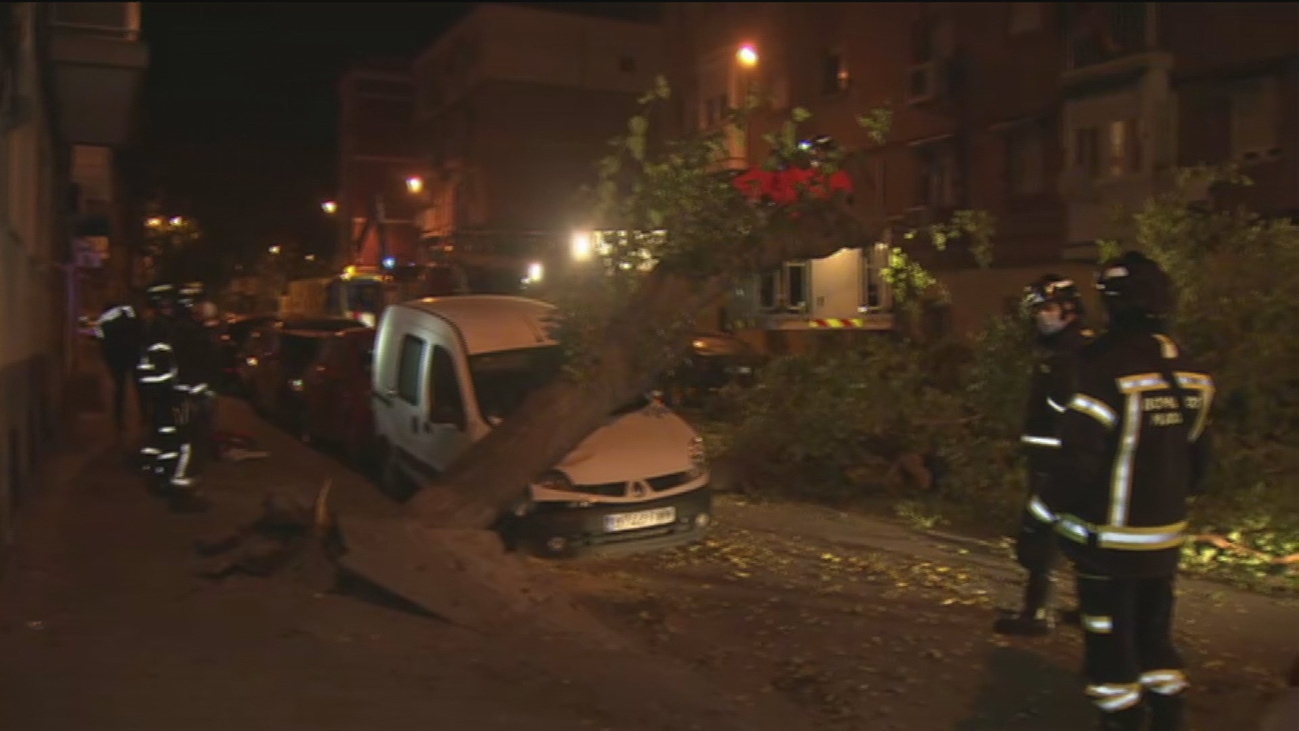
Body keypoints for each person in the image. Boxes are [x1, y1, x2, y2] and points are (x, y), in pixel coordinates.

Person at [1044, 251, 1214, 731]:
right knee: (1154, 636)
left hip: (1107, 545)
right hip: (1163, 540)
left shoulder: (1103, 369)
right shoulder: (1193, 372)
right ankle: (1169, 715)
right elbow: (1200, 460)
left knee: (1109, 645)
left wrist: (1046, 513)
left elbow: (1078, 461)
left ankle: (1122, 718)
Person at [995, 274, 1092, 636]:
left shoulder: (1070, 355)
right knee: (1079, 531)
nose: (1042, 316)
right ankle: (1090, 607)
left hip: (1056, 459)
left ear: (1069, 310)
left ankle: (1036, 613)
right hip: (1062, 456)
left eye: (1048, 308)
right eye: (1038, 310)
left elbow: (1067, 405)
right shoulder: (1066, 350)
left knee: (1041, 531)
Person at [135, 281, 210, 512]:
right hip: (175, 397)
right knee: (183, 442)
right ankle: (179, 489)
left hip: (165, 396)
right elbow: (177, 367)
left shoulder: (160, 329)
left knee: (166, 440)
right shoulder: (171, 331)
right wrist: (187, 390)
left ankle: (162, 479)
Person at [94, 298, 144, 434]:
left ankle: (119, 420)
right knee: (139, 387)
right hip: (133, 355)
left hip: (117, 359)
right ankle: (144, 416)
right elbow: (141, 333)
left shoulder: (106, 323)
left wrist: (107, 359)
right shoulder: (131, 318)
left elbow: (102, 342)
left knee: (120, 389)